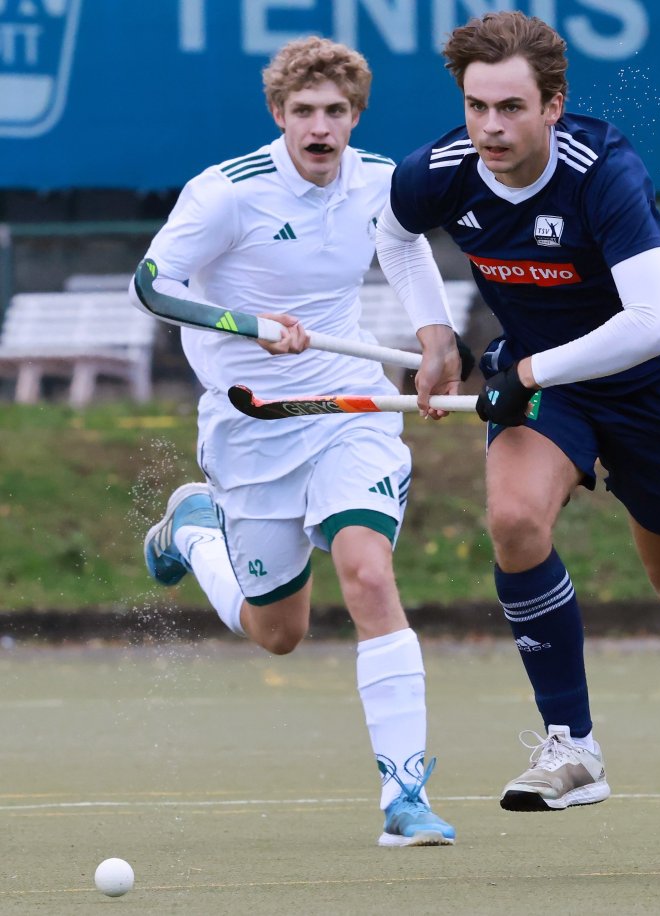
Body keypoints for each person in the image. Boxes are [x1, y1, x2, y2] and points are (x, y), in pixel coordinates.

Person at [374, 10, 660, 811]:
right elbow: (395, 233)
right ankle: (573, 748)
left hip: (654, 384)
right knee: (514, 521)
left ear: (553, 105)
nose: (490, 127)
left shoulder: (603, 172)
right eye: (476, 106)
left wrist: (528, 370)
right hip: (550, 385)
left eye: (511, 107)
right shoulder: (440, 170)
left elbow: (651, 325)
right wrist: (435, 332)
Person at [135, 36, 462, 847]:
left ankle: (405, 798)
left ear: (356, 116)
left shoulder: (380, 182)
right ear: (278, 114)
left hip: (350, 410)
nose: (321, 128)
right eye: (305, 111)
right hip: (250, 425)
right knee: (277, 632)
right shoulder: (226, 194)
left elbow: (406, 249)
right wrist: (247, 325)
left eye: (336, 112)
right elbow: (152, 286)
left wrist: (435, 336)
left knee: (368, 572)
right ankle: (193, 529)